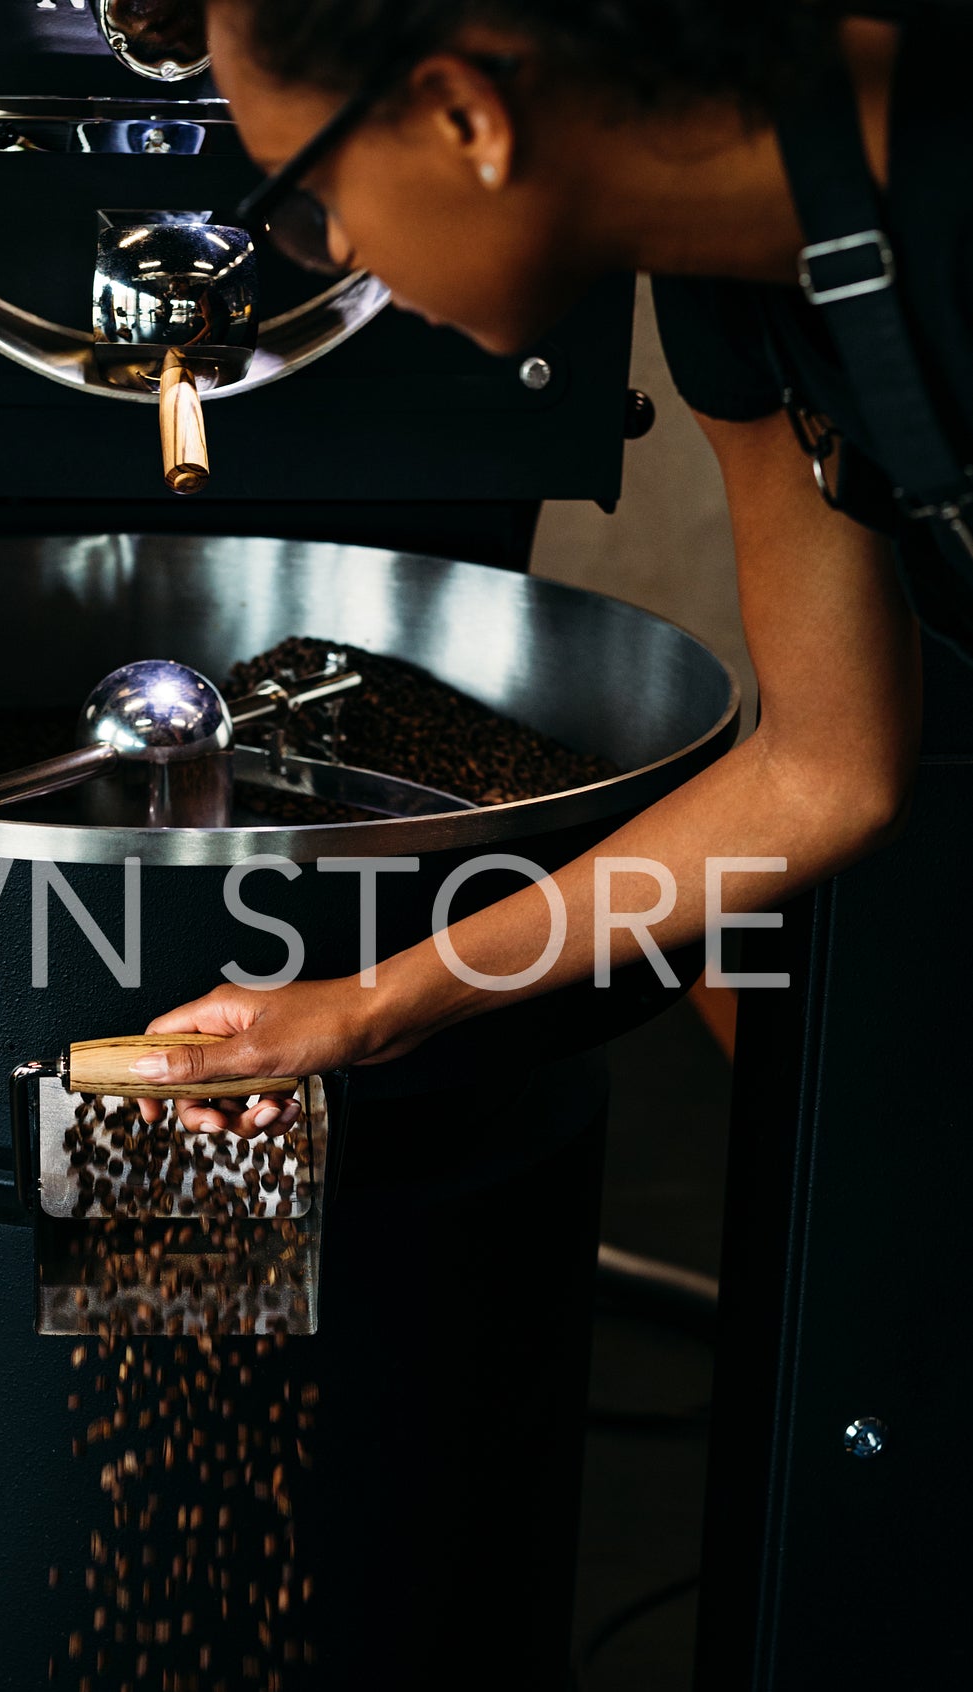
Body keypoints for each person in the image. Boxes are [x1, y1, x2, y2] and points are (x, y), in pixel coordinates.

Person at [132, 0, 972, 1135]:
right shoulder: (722, 299)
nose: (332, 249)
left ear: (461, 114)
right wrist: (366, 1009)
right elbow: (826, 769)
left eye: (309, 193)